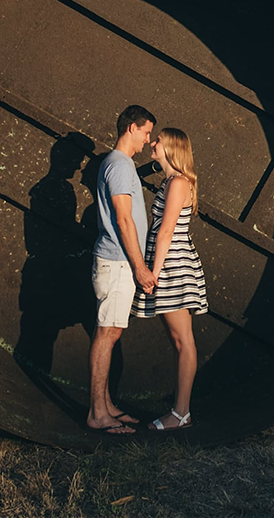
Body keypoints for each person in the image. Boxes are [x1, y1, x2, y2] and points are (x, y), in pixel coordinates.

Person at [131, 127, 208, 431]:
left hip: (173, 266)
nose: (152, 143)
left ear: (172, 147)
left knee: (183, 340)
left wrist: (155, 272)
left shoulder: (178, 183)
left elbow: (165, 231)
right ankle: (180, 411)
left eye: (158, 140)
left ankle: (181, 414)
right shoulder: (170, 182)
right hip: (169, 264)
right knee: (178, 340)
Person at [87, 105, 157, 434]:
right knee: (106, 334)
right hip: (118, 262)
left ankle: (107, 405)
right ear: (131, 128)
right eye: (146, 132)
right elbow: (123, 218)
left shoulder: (120, 165)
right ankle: (97, 414)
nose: (147, 139)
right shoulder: (118, 165)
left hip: (119, 261)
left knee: (112, 332)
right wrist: (141, 268)